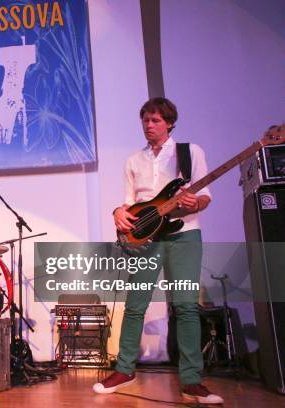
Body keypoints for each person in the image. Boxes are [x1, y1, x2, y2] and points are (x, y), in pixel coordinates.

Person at [92, 98, 223, 404]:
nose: (149, 126)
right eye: (145, 121)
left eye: (155, 121)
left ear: (170, 123)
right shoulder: (133, 161)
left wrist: (195, 202)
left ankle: (191, 380)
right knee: (135, 306)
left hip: (185, 236)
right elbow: (127, 204)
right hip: (145, 240)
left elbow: (204, 196)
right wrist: (117, 212)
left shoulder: (190, 153)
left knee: (186, 307)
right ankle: (124, 369)